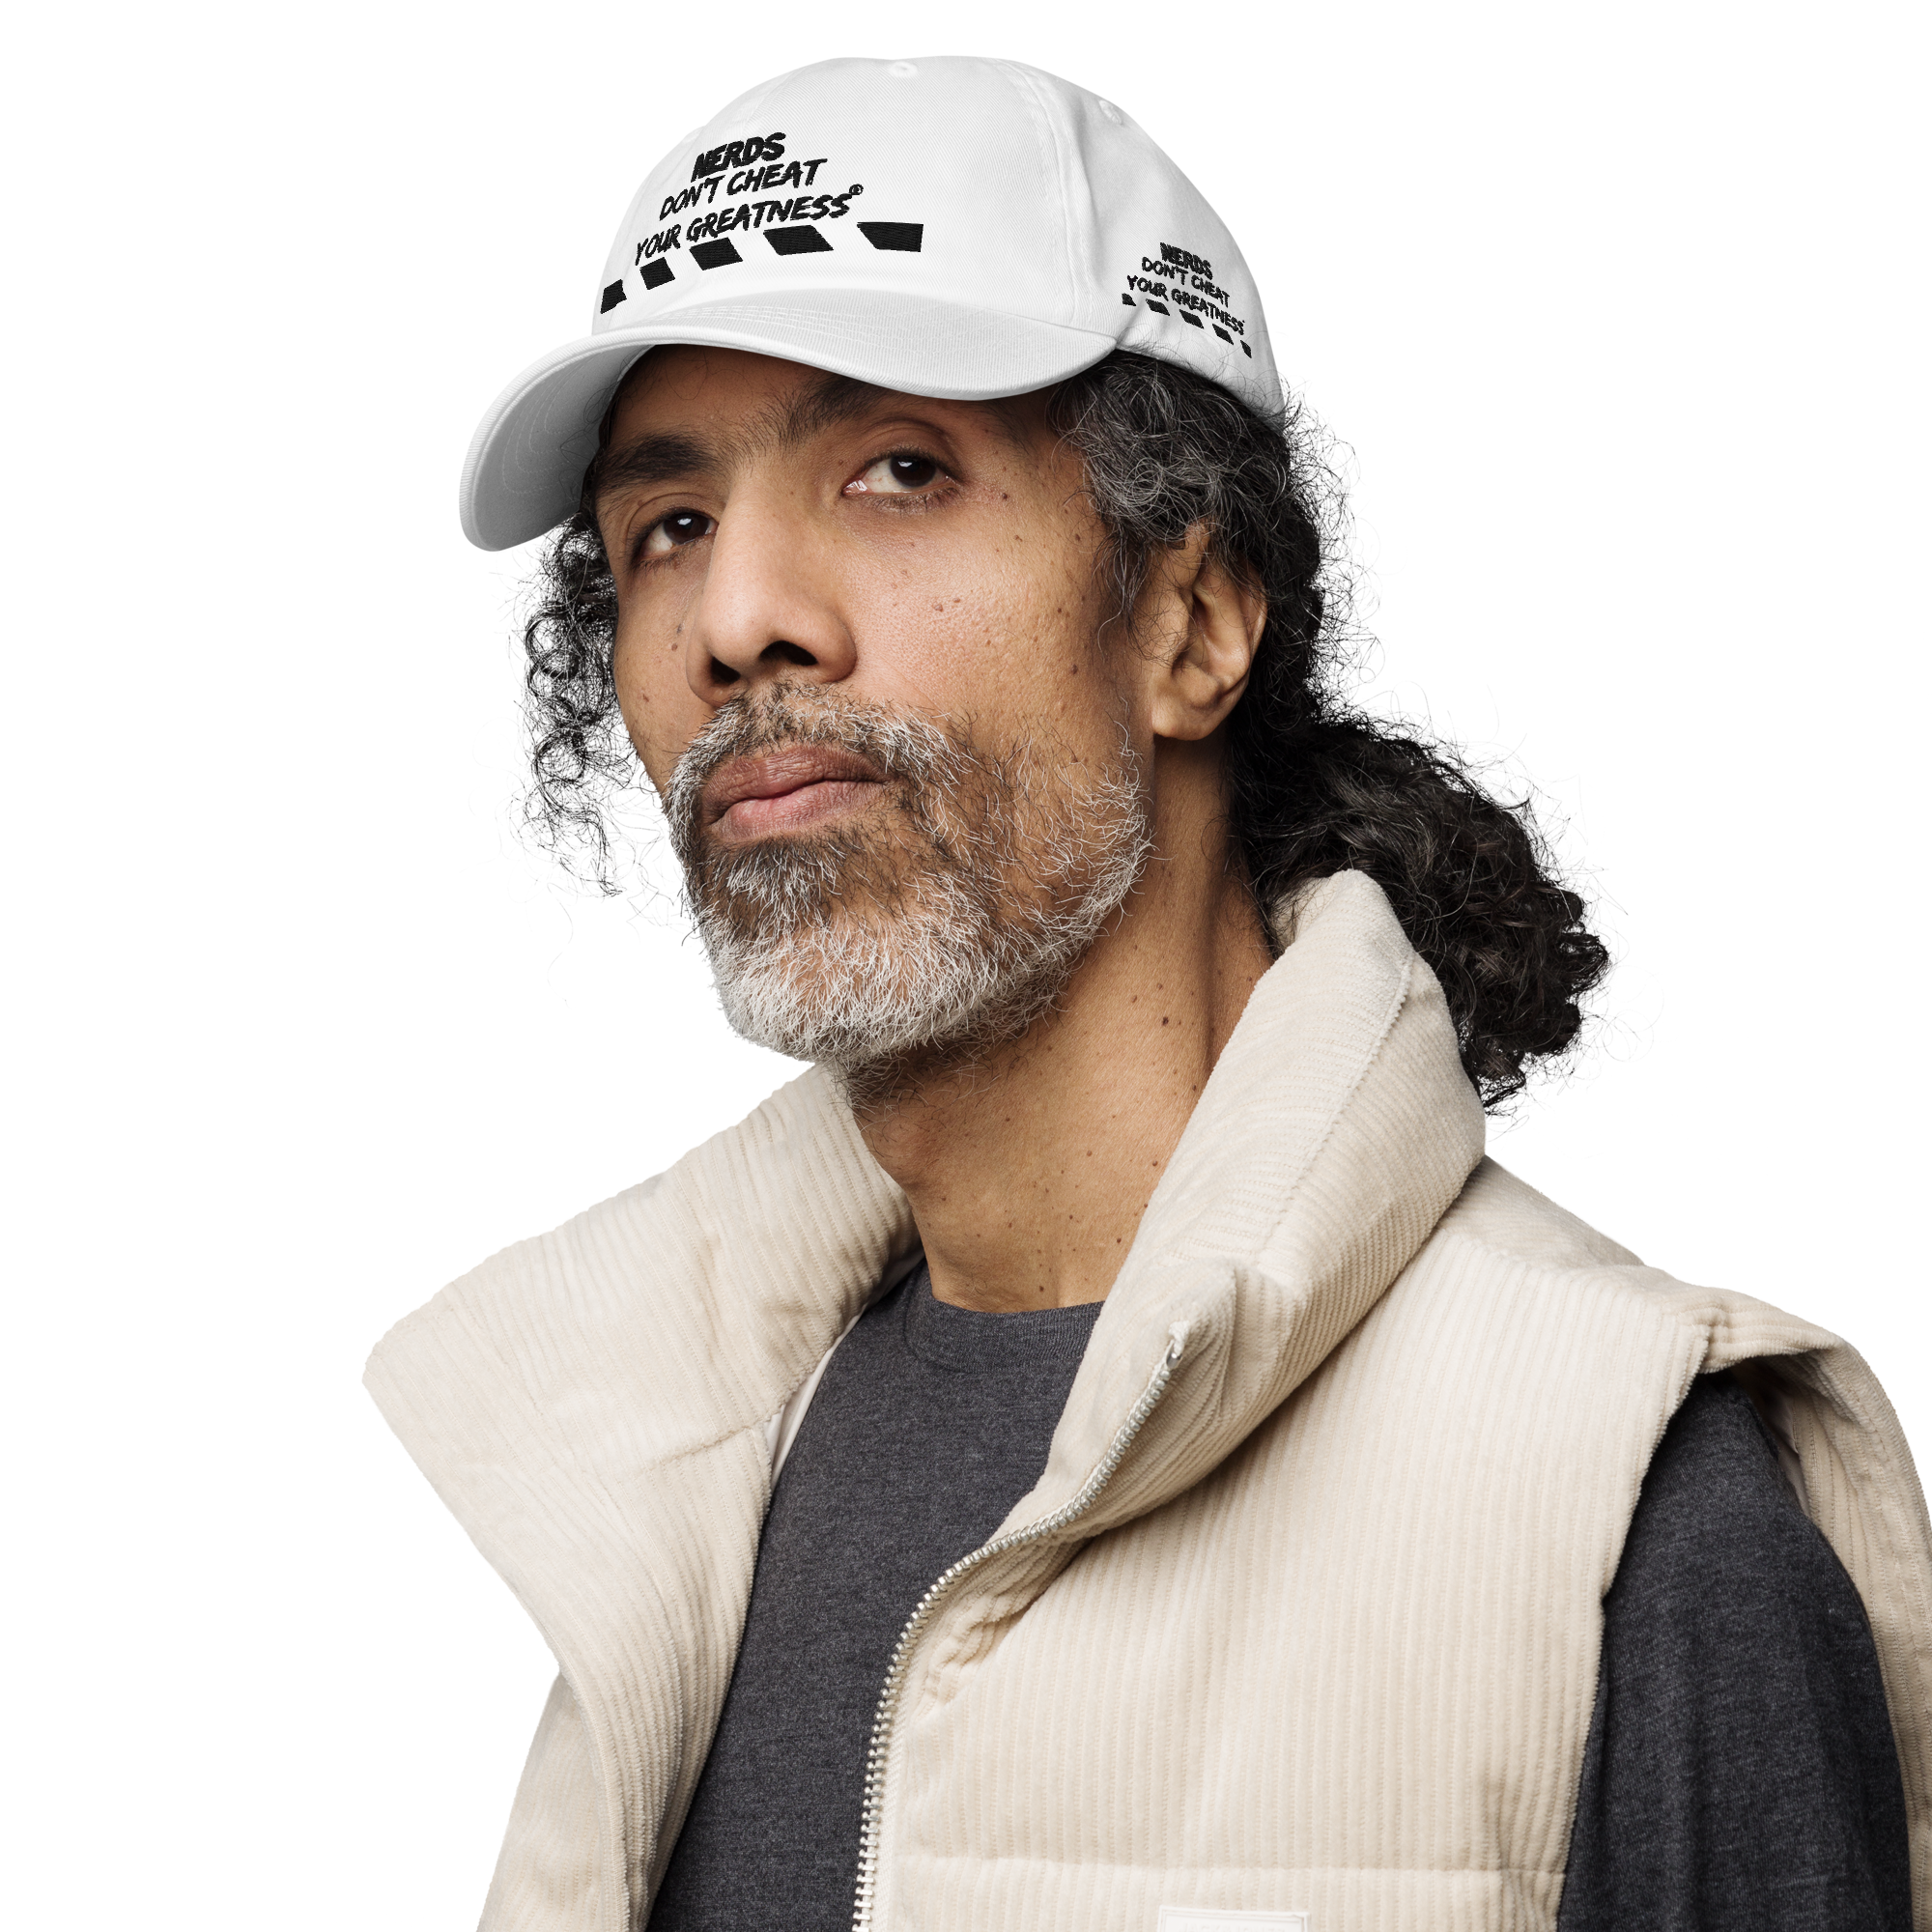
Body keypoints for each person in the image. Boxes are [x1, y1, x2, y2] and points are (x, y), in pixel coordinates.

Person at [364, 54, 1929, 1932]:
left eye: (897, 470)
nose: (735, 616)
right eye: (667, 526)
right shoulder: (626, 1479)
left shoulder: (1619, 1498)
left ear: (1193, 620)